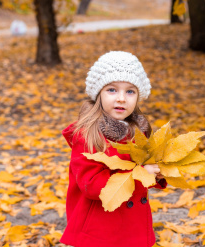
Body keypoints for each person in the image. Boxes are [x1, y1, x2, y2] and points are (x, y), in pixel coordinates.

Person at [60, 51, 167, 247]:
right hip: (100, 228)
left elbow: (144, 170)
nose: (121, 98)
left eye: (130, 91)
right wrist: (139, 174)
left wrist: (156, 175)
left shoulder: (138, 131)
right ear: (98, 93)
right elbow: (91, 184)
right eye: (111, 90)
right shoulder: (88, 135)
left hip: (130, 224)